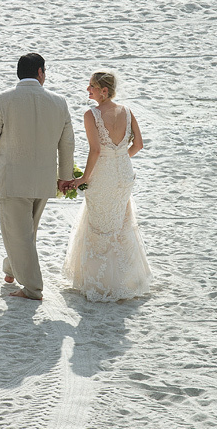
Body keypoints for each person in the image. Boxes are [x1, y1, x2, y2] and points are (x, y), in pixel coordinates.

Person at [0, 53, 75, 300]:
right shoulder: (59, 102)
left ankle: (33, 288)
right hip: (44, 179)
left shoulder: (2, 100)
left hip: (12, 180)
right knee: (26, 232)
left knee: (19, 233)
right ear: (40, 73)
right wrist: (65, 176)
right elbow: (67, 144)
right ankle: (11, 268)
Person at [61, 71, 152, 302]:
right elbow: (138, 145)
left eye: (91, 86)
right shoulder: (128, 112)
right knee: (121, 222)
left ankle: (101, 284)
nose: (87, 89)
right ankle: (125, 280)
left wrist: (83, 178)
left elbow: (96, 151)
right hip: (124, 174)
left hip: (103, 176)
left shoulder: (91, 115)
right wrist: (121, 158)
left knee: (99, 224)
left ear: (104, 90)